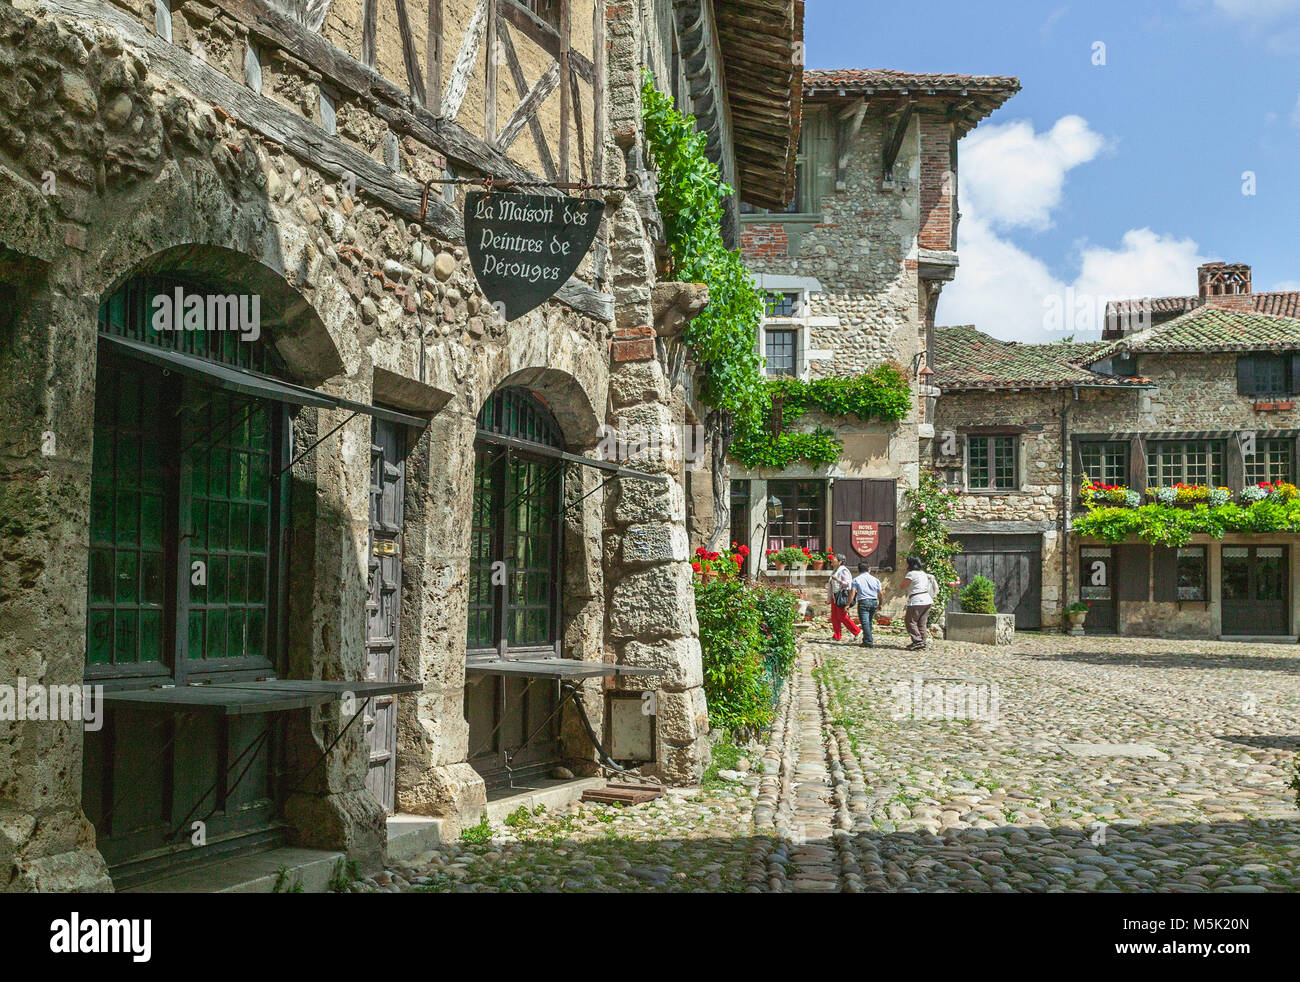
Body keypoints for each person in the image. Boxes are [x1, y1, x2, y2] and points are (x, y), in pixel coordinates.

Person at [903, 555, 939, 650]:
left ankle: (917, 641)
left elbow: (902, 586)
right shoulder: (923, 573)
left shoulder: (911, 574)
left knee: (910, 621)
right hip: (927, 600)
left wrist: (906, 573)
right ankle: (922, 642)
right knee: (922, 622)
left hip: (917, 600)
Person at [827, 558, 860, 642]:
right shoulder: (835, 570)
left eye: (833, 560)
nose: (831, 562)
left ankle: (856, 631)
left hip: (841, 596)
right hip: (835, 596)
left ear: (840, 561)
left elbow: (848, 584)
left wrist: (837, 580)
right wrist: (829, 598)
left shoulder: (844, 571)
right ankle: (837, 635)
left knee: (842, 616)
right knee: (834, 617)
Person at [851, 562, 883, 648]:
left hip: (863, 602)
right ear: (869, 569)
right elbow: (880, 593)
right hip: (873, 601)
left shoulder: (856, 580)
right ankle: (866, 640)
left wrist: (848, 603)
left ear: (858, 570)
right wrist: (880, 603)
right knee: (868, 622)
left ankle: (868, 641)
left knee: (865, 622)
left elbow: (853, 593)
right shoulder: (876, 580)